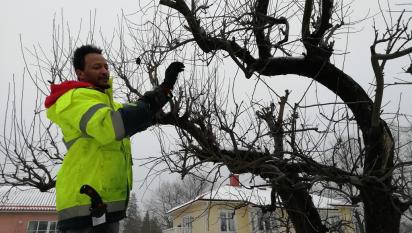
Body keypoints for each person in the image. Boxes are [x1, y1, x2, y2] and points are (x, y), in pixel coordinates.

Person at [44, 45, 184, 233]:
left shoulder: (107, 104)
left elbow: (135, 117)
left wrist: (165, 89)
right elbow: (112, 124)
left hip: (104, 207)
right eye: (96, 67)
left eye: (105, 66)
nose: (104, 71)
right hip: (84, 207)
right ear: (80, 73)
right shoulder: (74, 99)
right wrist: (151, 102)